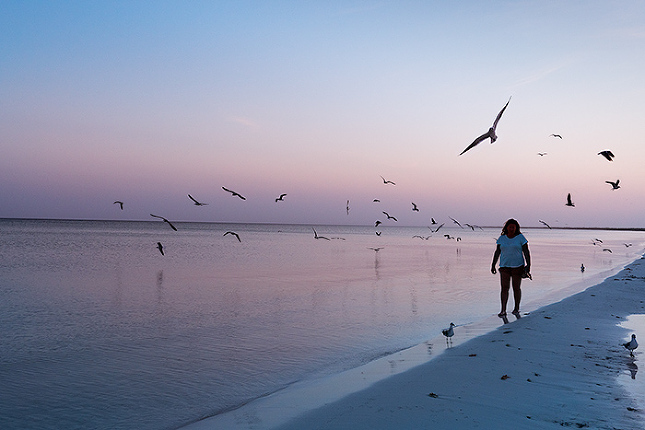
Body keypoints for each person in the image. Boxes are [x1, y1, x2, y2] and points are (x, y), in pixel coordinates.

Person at [491, 218, 531, 317]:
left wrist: (528, 265)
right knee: (504, 288)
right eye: (510, 227)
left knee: (516, 288)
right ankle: (503, 310)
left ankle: (516, 308)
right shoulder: (502, 238)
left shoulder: (520, 238)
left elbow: (526, 251)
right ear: (507, 227)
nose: (512, 228)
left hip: (517, 266)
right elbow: (497, 252)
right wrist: (493, 264)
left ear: (516, 228)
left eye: (514, 227)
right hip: (504, 266)